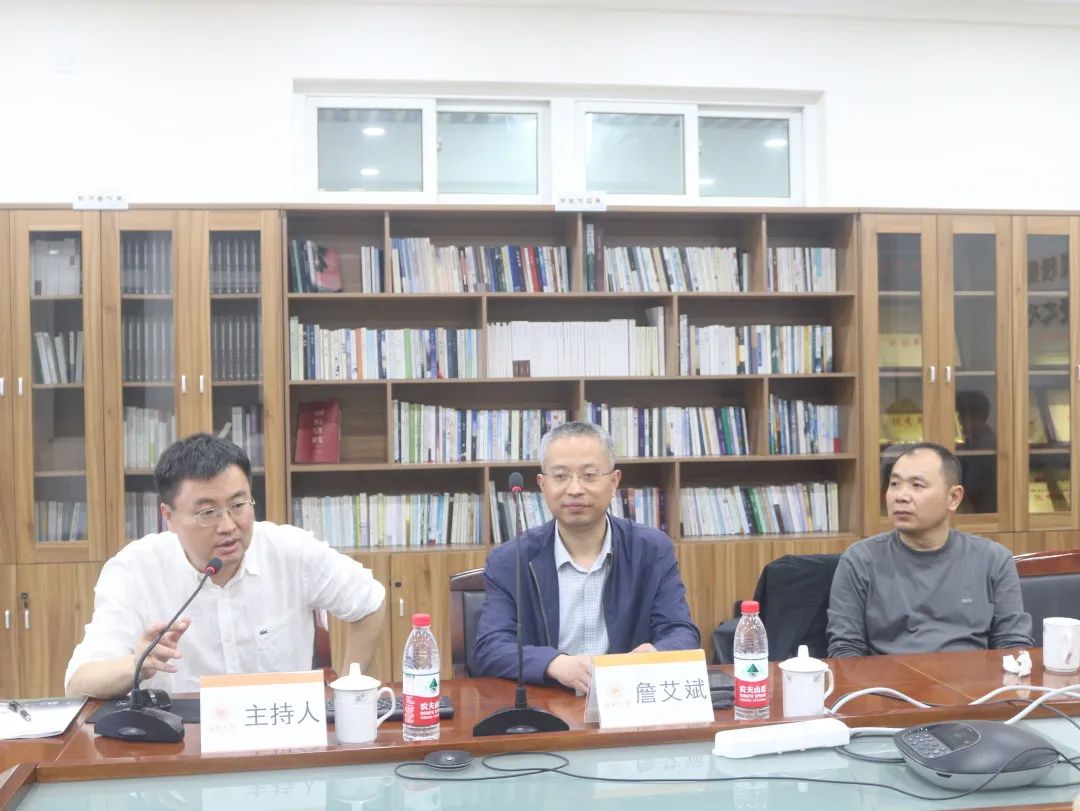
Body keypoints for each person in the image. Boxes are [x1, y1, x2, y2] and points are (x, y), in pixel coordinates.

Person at [65, 433, 386, 698]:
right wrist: (136, 663)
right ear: (168, 516)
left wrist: (350, 693)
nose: (229, 526)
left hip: (281, 738)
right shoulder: (135, 570)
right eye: (208, 513)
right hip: (182, 745)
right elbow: (79, 682)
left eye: (238, 505)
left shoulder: (291, 551)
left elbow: (370, 602)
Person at [472, 421, 699, 692]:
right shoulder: (511, 559)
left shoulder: (651, 550)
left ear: (614, 482)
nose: (575, 489)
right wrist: (553, 663)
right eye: (560, 476)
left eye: (589, 475)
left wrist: (656, 653)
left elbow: (681, 632)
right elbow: (490, 647)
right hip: (546, 700)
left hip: (627, 699)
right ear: (543, 485)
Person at [828, 442, 1032, 658]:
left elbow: (1013, 644)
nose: (900, 496)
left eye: (917, 485)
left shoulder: (993, 560)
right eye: (894, 484)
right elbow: (845, 650)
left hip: (970, 677)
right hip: (889, 678)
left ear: (954, 498)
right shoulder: (860, 560)